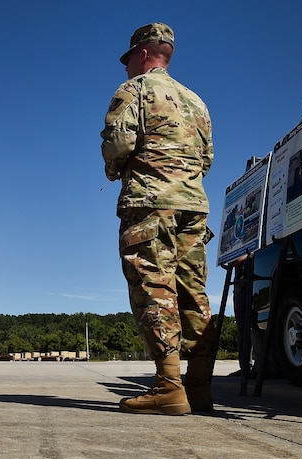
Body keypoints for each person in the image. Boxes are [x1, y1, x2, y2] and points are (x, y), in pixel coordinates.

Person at [100, 23, 218, 414]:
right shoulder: (196, 101)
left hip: (150, 202)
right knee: (192, 291)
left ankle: (169, 387)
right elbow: (207, 159)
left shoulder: (134, 90)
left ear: (144, 54)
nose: (126, 67)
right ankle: (200, 388)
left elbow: (118, 142)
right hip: (193, 205)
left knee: (153, 285)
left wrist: (115, 169)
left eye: (128, 59)